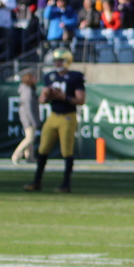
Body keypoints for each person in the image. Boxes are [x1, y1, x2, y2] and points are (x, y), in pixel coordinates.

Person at [24, 48, 85, 193]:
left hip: (68, 116)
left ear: (67, 61)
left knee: (66, 151)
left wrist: (65, 98)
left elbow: (81, 100)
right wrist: (45, 96)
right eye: (56, 60)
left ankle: (66, 184)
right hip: (53, 116)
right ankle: (37, 181)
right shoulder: (50, 76)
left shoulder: (75, 76)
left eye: (60, 60)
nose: (57, 63)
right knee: (43, 149)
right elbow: (42, 99)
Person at [13, 70, 40, 165]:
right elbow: (28, 108)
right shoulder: (27, 91)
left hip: (28, 118)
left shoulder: (30, 90)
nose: (35, 79)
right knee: (29, 138)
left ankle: (30, 157)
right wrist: (34, 121)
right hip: (28, 118)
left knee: (30, 138)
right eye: (33, 77)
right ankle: (16, 155)